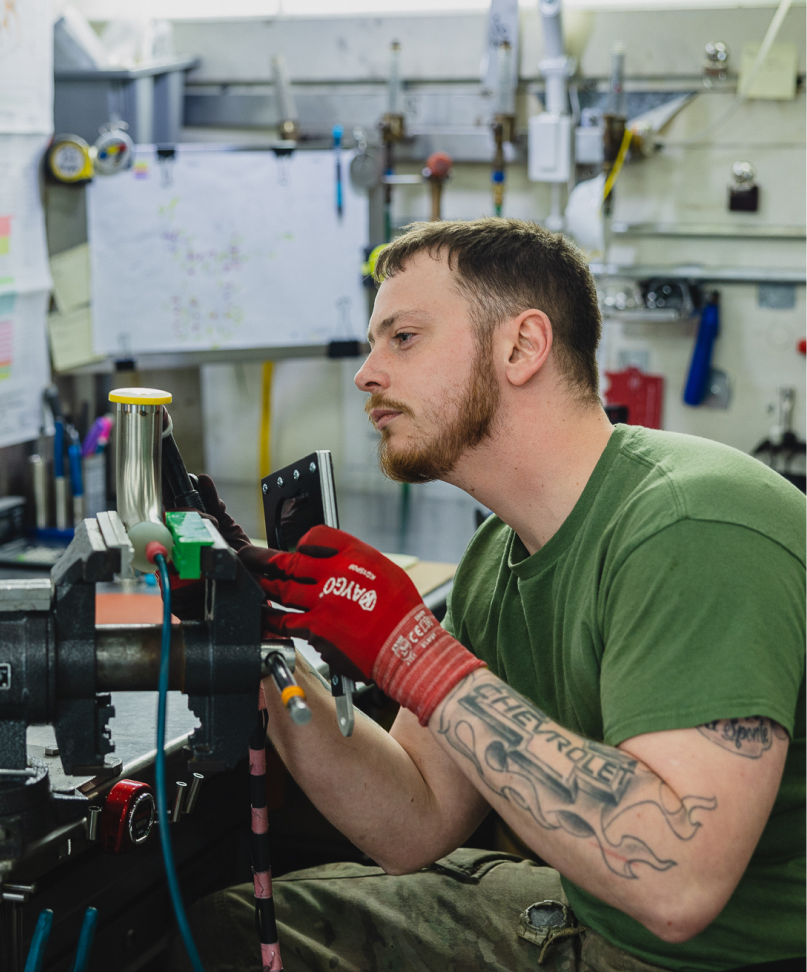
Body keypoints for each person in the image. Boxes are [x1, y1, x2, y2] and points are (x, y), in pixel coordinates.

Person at [169, 218, 805, 972]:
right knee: (221, 931)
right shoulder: (497, 554)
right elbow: (412, 819)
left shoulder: (692, 526)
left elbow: (677, 880)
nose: (367, 373)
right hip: (591, 915)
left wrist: (413, 654)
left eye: (402, 337)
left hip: (723, 958)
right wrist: (265, 643)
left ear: (522, 347)